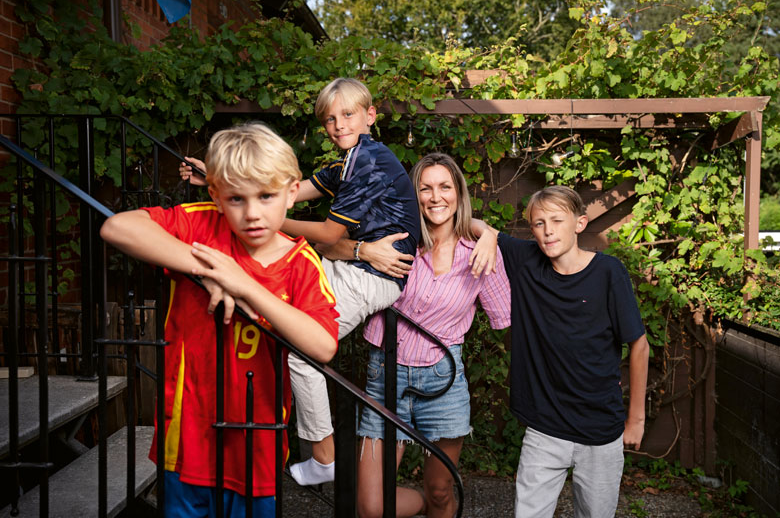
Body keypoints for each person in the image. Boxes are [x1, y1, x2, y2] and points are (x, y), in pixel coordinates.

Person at [179, 77, 421, 486]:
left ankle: (323, 456)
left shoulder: (369, 160)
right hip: (354, 267)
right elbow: (287, 192)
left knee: (301, 351)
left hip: (373, 277)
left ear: (370, 116)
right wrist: (221, 181)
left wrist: (268, 220)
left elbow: (327, 234)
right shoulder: (344, 164)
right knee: (274, 296)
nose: (338, 124)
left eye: (348, 114)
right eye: (329, 118)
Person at [101, 122, 339, 517]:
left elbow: (323, 346)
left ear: (292, 193)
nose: (252, 214)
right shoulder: (201, 224)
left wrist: (244, 285)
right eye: (236, 199)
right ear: (215, 195)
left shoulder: (302, 265)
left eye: (266, 196)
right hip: (187, 433)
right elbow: (117, 226)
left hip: (255, 444)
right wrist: (211, 270)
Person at [319, 153, 510, 518]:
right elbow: (327, 245)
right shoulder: (394, 235)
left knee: (440, 491)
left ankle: (437, 506)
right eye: (424, 188)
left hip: (443, 380)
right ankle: (423, 506)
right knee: (372, 507)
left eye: (444, 187)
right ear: (413, 193)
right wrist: (364, 250)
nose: (435, 197)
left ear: (459, 194)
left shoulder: (481, 253)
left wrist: (490, 235)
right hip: (383, 375)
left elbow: (506, 318)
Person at [472, 185, 649, 518]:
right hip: (544, 428)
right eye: (538, 223)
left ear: (580, 223)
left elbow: (639, 344)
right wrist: (486, 236)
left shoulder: (609, 273)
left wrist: (636, 420)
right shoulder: (527, 261)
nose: (548, 230)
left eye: (557, 220)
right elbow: (474, 223)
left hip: (600, 431)